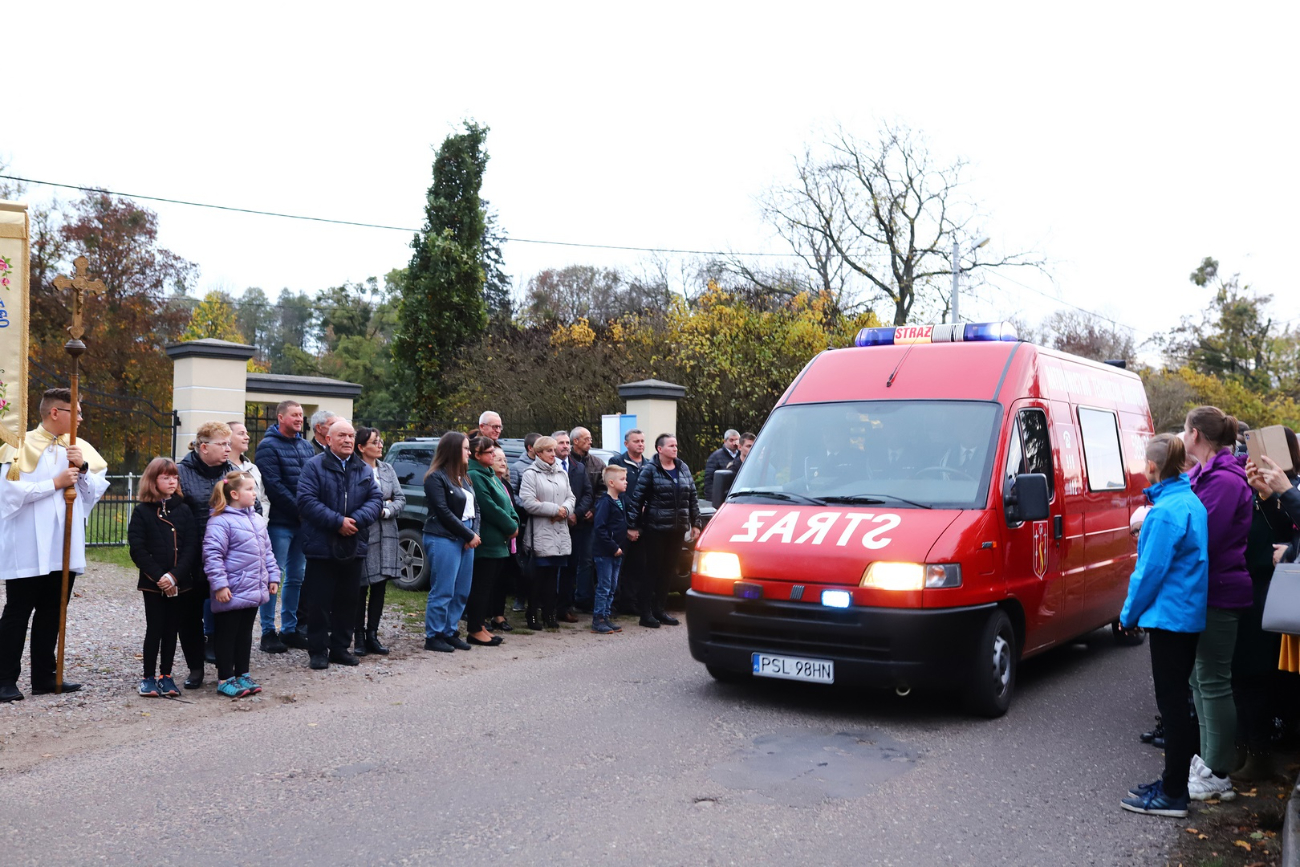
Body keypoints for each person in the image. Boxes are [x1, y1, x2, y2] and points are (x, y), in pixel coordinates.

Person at [1119, 433, 1209, 818]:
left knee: (1171, 707)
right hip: (1186, 614)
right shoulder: (1190, 501)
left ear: (1152, 467)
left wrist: (1127, 615)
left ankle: (1173, 793)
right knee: (1178, 705)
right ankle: (1172, 784)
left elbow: (1149, 571)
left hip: (1170, 617)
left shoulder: (1165, 511)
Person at [0, 388, 110, 702]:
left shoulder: (77, 448)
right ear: (54, 413)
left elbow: (91, 497)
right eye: (75, 412)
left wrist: (84, 469)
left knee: (53, 612)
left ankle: (45, 677)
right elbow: (10, 494)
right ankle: (4, 678)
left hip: (63, 544)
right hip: (28, 544)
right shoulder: (19, 446)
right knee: (18, 612)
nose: (80, 418)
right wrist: (55, 484)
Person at [1182, 405, 1254, 801]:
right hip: (1204, 590)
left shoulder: (1224, 482)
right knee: (1200, 678)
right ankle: (1209, 761)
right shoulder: (1207, 475)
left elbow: (1203, 536)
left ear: (1196, 435)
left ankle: (1218, 770)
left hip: (1219, 591)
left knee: (1212, 680)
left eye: (1184, 429)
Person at [1237, 430, 1300, 779]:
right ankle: (1249, 749)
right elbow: (1284, 531)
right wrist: (1265, 495)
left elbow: (1290, 538)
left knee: (1260, 674)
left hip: (1277, 591)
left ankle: (1261, 753)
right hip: (1264, 589)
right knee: (1252, 673)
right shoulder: (1275, 494)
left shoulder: (1293, 489)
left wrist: (1285, 491)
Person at [296, 419, 383, 670]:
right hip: (321, 545)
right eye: (341, 435)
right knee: (319, 601)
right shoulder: (313, 466)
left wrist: (355, 521)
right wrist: (337, 522)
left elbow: (375, 500)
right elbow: (306, 501)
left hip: (354, 544)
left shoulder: (363, 469)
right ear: (329, 440)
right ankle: (318, 650)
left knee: (348, 600)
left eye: (350, 436)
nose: (347, 440)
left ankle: (340, 648)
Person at [127, 457, 200, 698]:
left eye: (174, 477)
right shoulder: (142, 512)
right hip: (153, 583)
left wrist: (175, 577)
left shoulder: (184, 509)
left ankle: (166, 675)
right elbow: (137, 548)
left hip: (180, 582)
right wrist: (160, 577)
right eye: (165, 477)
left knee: (172, 629)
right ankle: (148, 676)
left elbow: (191, 546)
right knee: (155, 628)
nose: (172, 481)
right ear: (153, 480)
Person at [204, 471, 280, 698]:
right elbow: (212, 555)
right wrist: (219, 585)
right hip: (231, 589)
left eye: (254, 489)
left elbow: (267, 551)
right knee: (227, 635)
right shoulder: (220, 521)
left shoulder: (257, 520)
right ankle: (225, 678)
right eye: (250, 489)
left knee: (245, 633)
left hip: (253, 588)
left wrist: (273, 576)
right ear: (234, 493)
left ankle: (242, 673)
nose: (254, 494)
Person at [178, 421, 240, 682]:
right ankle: (195, 668)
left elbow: (252, 506)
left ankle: (227, 669)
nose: (228, 448)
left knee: (227, 614)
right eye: (222, 444)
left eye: (229, 443)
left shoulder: (234, 472)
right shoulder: (180, 472)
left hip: (227, 556)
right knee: (189, 616)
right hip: (191, 556)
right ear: (204, 447)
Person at [254, 400, 317, 654]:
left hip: (303, 523)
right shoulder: (268, 446)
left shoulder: (305, 446)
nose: (300, 419)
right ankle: (268, 631)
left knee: (297, 577)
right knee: (273, 576)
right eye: (294, 415)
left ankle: (289, 629)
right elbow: (274, 485)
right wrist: (302, 511)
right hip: (281, 523)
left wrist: (310, 511)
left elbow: (313, 480)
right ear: (280, 417)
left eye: (301, 415)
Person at [626, 434, 701, 629]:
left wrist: (696, 523)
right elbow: (637, 499)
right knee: (653, 569)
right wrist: (633, 525)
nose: (675, 449)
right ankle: (646, 613)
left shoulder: (682, 467)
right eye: (671, 446)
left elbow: (692, 495)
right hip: (656, 528)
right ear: (660, 449)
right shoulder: (650, 470)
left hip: (677, 528)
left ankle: (660, 609)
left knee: (668, 570)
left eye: (676, 445)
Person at [422, 432, 482, 652]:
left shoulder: (464, 477)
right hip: (443, 536)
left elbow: (475, 509)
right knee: (444, 588)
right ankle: (434, 635)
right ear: (453, 450)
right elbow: (443, 512)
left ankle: (450, 630)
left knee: (462, 589)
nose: (469, 452)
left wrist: (473, 533)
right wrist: (468, 535)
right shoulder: (435, 477)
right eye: (466, 448)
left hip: (466, 535)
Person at [354, 427, 404, 657]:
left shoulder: (388, 468)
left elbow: (400, 498)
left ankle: (373, 634)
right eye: (375, 441)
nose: (380, 444)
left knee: (380, 585)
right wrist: (377, 506)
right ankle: (359, 636)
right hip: (365, 532)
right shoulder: (355, 469)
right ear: (361, 447)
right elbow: (356, 501)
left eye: (381, 440)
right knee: (361, 586)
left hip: (387, 530)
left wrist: (386, 509)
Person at [518, 435, 575, 630]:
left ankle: (550, 614)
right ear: (539, 453)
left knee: (553, 576)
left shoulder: (562, 473)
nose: (553, 454)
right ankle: (532, 613)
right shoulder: (530, 473)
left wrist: (565, 510)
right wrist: (554, 510)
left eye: (554, 450)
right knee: (538, 577)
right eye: (549, 451)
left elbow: (570, 497)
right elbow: (528, 502)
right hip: (541, 531)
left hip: (559, 531)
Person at [466, 436, 518, 646]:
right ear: (477, 455)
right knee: (481, 587)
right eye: (489, 452)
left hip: (500, 542)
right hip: (487, 541)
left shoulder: (491, 475)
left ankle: (481, 627)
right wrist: (510, 526)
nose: (494, 455)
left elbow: (507, 503)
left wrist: (515, 521)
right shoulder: (475, 475)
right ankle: (475, 628)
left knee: (489, 587)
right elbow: (489, 507)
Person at [553, 430, 591, 622]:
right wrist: (562, 513)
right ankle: (549, 606)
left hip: (575, 526)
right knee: (551, 568)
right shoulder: (546, 468)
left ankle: (564, 607)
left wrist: (576, 514)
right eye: (561, 443)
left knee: (570, 567)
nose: (566, 446)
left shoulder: (579, 467)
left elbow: (587, 494)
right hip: (552, 524)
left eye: (567, 443)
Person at [609, 429, 648, 615]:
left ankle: (630, 603)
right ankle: (613, 604)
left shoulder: (648, 465)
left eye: (642, 441)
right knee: (618, 564)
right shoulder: (617, 462)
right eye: (636, 441)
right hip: (622, 521)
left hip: (643, 523)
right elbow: (617, 493)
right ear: (626, 444)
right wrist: (630, 521)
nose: (640, 444)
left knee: (637, 565)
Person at [570, 426, 606, 612]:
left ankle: (583, 599)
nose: (590, 442)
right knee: (568, 560)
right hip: (568, 519)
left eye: (590, 438)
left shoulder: (598, 464)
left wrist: (593, 509)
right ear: (575, 441)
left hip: (589, 520)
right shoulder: (565, 462)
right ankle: (565, 598)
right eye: (586, 438)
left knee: (587, 559)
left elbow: (602, 489)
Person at [591, 465, 629, 635]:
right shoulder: (604, 502)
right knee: (604, 586)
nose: (626, 482)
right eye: (622, 479)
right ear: (611, 483)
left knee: (612, 585)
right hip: (605, 552)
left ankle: (606, 616)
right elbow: (600, 528)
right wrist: (613, 546)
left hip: (618, 552)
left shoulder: (621, 500)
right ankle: (598, 619)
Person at [488, 446, 518, 632]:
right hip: (494, 537)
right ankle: (483, 615)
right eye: (498, 458)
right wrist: (508, 526)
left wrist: (514, 524)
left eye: (505, 459)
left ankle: (499, 615)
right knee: (488, 580)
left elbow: (513, 508)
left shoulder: (505, 485)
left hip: (508, 540)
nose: (503, 462)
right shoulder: (487, 482)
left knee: (502, 579)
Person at [229, 422, 270, 519]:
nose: (247, 437)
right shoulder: (222, 468)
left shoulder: (253, 468)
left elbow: (263, 499)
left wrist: (261, 522)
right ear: (228, 437)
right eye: (241, 433)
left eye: (246, 433)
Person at [704, 429, 741, 501]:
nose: (734, 443)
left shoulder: (742, 455)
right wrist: (713, 499)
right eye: (731, 440)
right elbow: (709, 480)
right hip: (721, 497)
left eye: (736, 440)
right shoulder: (716, 457)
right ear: (725, 441)